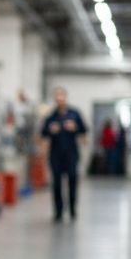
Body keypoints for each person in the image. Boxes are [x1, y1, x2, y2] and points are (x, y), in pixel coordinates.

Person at [40, 88, 87, 220]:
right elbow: (43, 133)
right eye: (57, 97)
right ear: (55, 99)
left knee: (72, 180)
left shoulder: (75, 113)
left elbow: (84, 129)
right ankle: (58, 211)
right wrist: (50, 130)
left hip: (71, 154)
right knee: (56, 183)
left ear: (65, 97)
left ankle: (72, 209)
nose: (60, 99)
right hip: (55, 155)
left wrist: (75, 127)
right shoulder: (51, 116)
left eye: (62, 96)